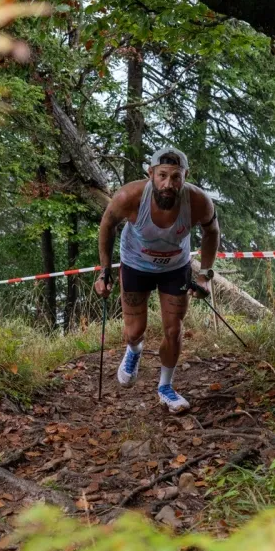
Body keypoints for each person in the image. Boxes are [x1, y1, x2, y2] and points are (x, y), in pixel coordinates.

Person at [94, 147, 219, 413]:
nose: (168, 184)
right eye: (162, 175)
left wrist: (205, 275)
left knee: (174, 330)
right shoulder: (131, 196)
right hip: (136, 265)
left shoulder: (198, 201)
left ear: (185, 176)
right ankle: (134, 349)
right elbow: (107, 224)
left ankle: (165, 387)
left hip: (175, 268)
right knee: (134, 331)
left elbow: (212, 231)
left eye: (176, 177)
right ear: (150, 173)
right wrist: (104, 270)